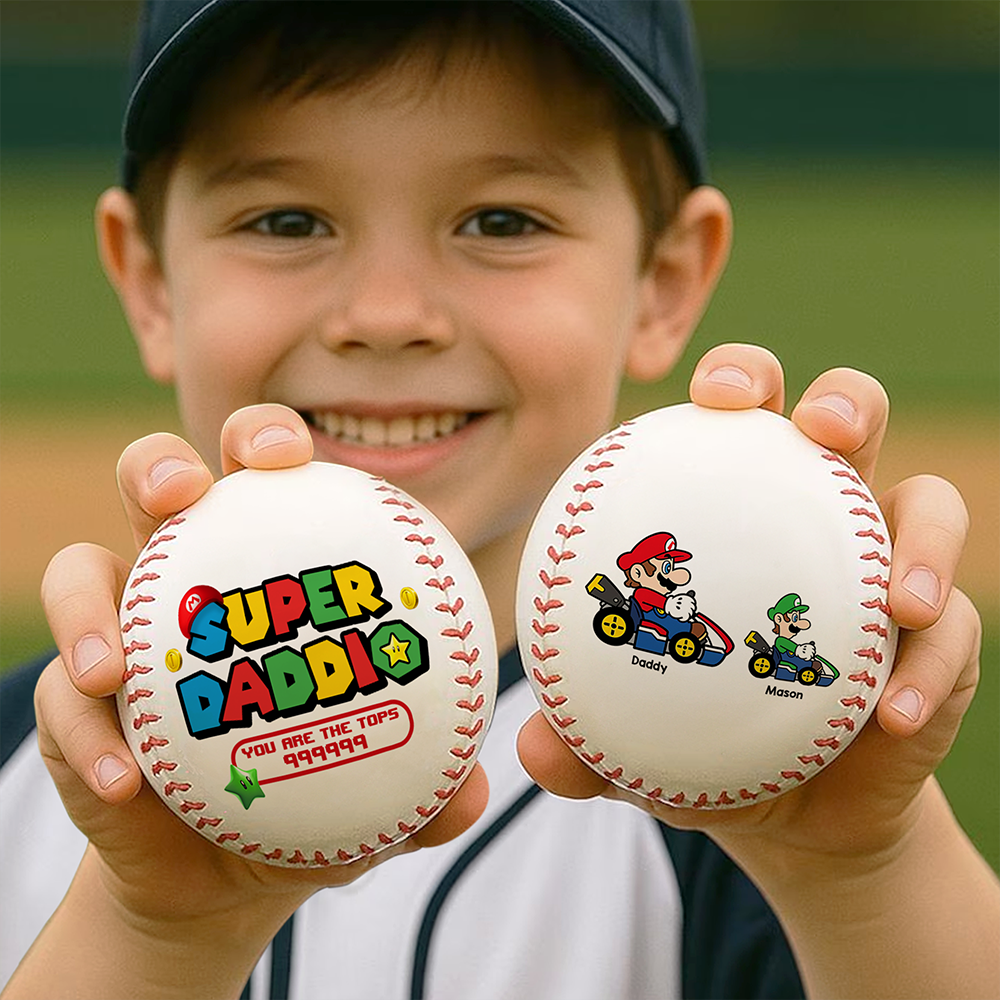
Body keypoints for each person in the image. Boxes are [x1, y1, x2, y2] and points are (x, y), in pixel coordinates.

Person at [1, 2, 997, 998]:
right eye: (285, 221)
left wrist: (859, 869)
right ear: (149, 282)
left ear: (663, 280)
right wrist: (158, 927)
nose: (388, 316)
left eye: (501, 221)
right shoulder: (48, 770)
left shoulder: (732, 781)